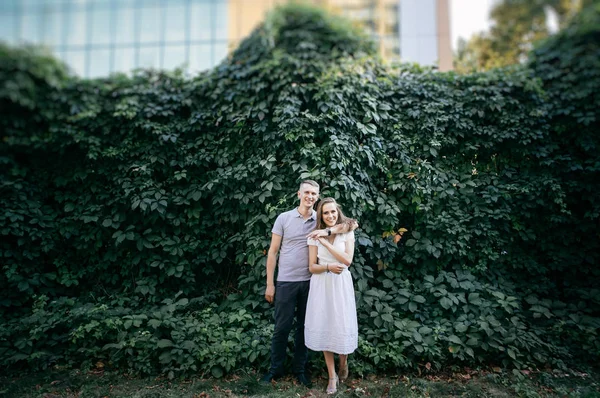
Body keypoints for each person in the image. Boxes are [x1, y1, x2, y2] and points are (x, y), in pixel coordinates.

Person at [261, 181, 355, 388]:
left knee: (305, 327)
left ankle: (300, 371)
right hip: (286, 280)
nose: (310, 196)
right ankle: (274, 370)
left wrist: (326, 233)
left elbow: (350, 224)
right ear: (299, 194)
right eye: (307, 192)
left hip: (312, 282)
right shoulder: (284, 218)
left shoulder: (319, 219)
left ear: (318, 196)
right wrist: (270, 283)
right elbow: (272, 252)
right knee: (282, 327)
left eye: (314, 193)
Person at [305, 197, 358, 395]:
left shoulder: (347, 230)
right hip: (322, 283)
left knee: (341, 325)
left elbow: (347, 260)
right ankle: (332, 375)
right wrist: (326, 266)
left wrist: (326, 244)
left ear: (338, 212)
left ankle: (343, 362)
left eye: (333, 212)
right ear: (321, 215)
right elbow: (311, 267)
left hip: (341, 283)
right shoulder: (313, 236)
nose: (330, 215)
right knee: (325, 326)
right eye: (326, 213)